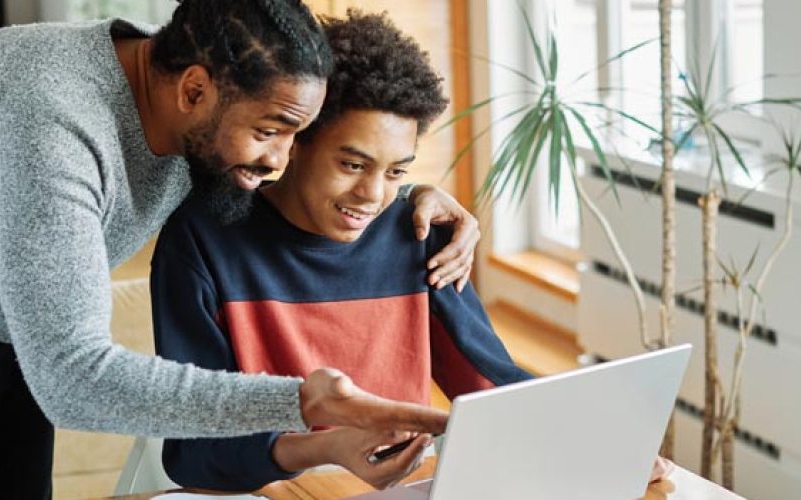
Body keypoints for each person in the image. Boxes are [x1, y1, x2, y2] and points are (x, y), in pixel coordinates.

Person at [0, 1, 478, 498]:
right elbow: (74, 379)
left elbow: (316, 173)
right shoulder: (52, 127)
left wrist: (414, 201)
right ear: (195, 89)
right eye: (274, 131)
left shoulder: (196, 97)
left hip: (6, 322)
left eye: (298, 136)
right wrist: (300, 402)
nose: (281, 159)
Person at [150, 10, 533, 492]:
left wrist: (589, 442)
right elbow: (194, 453)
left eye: (396, 172)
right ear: (296, 141)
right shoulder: (204, 240)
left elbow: (491, 389)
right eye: (353, 164)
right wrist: (328, 446)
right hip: (264, 490)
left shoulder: (418, 233)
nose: (373, 195)